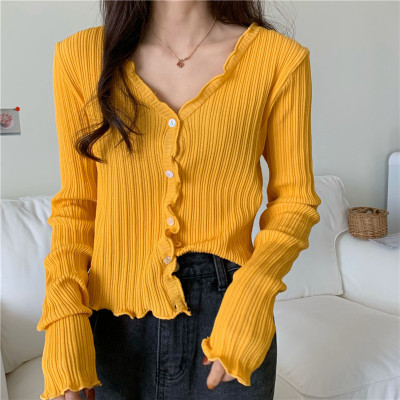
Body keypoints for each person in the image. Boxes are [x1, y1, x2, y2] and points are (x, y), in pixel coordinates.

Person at [37, 1, 322, 399]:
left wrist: (253, 297)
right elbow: (77, 206)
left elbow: (295, 200)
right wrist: (64, 321)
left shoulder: (278, 59)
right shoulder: (80, 58)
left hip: (229, 318)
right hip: (114, 323)